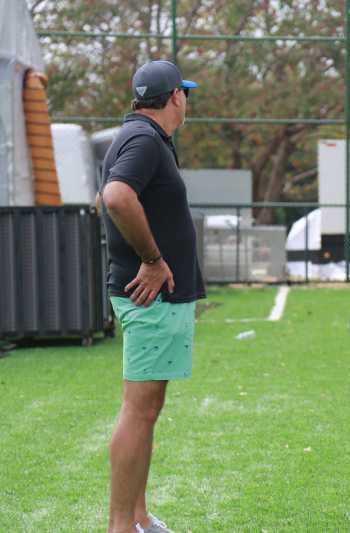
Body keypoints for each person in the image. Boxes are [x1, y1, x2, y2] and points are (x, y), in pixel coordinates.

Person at [100, 60, 203, 533]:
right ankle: (122, 525)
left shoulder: (141, 136)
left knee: (147, 409)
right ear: (175, 97)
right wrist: (153, 259)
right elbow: (116, 196)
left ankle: (137, 516)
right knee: (139, 410)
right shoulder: (144, 139)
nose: (187, 101)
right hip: (150, 297)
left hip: (154, 299)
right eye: (185, 93)